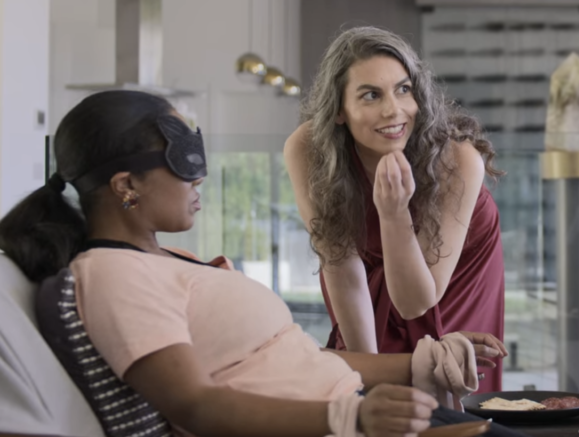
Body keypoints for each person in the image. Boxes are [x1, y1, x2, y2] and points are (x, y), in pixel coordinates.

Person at [0, 90, 510, 437]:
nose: (199, 178)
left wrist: (426, 361)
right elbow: (194, 404)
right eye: (182, 160)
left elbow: (294, 360)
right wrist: (348, 418)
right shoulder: (115, 276)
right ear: (125, 185)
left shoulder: (165, 261)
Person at [284, 27, 507, 392]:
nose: (393, 110)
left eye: (403, 89)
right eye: (371, 95)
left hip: (452, 280)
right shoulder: (308, 149)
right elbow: (342, 269)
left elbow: (416, 303)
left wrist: (393, 214)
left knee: (451, 390)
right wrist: (369, 380)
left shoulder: (458, 160)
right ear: (339, 110)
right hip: (362, 283)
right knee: (368, 396)